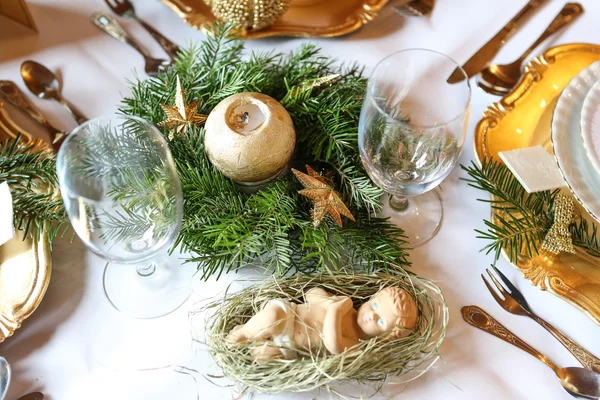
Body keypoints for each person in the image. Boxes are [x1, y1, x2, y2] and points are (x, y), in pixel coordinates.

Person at [226, 286, 418, 363]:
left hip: (289, 346)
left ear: (384, 337)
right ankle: (244, 333)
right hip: (288, 316)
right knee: (270, 318)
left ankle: (256, 345)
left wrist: (334, 310)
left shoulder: (356, 343)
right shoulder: (347, 306)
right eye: (375, 305)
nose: (371, 315)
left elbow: (332, 344)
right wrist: (327, 301)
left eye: (381, 321)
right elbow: (311, 292)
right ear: (372, 297)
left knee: (267, 356)